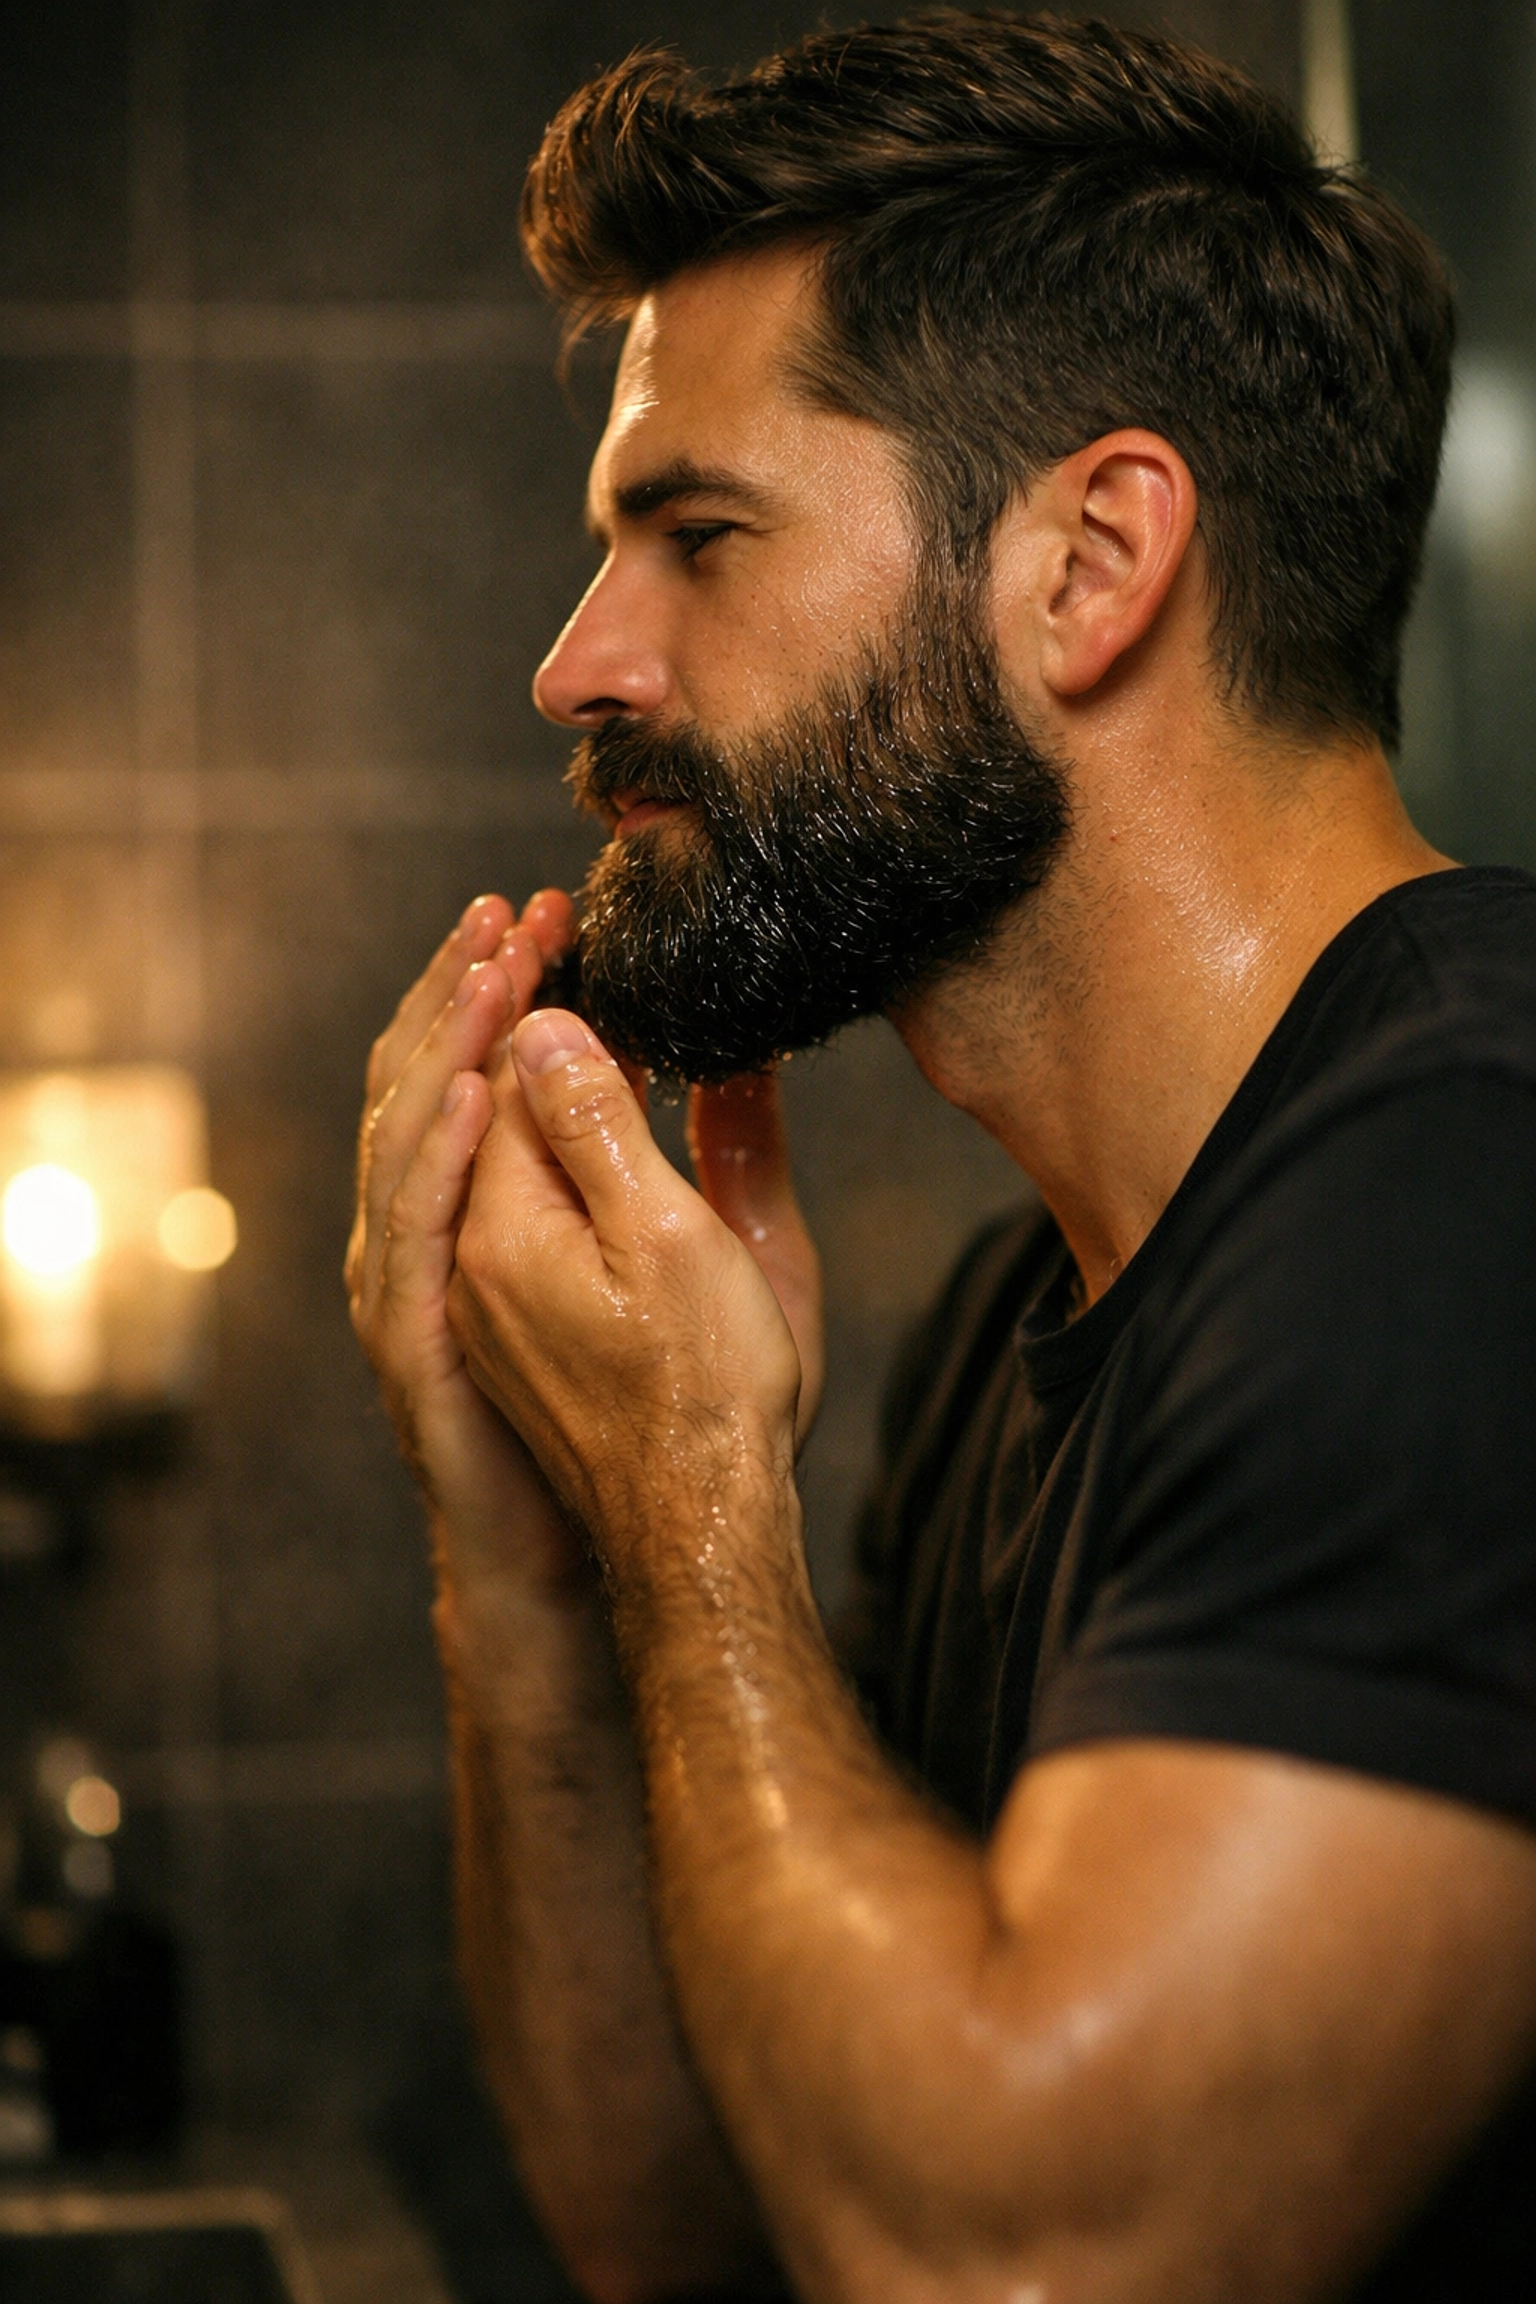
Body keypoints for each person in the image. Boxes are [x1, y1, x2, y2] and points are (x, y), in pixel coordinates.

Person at [347, 16, 1536, 2302]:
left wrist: (701, 1504)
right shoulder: (1028, 1319)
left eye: (695, 533)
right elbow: (698, 2216)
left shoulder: (1473, 1173)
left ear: (1091, 562)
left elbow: (1024, 2255)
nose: (575, 666)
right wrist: (544, 1563)